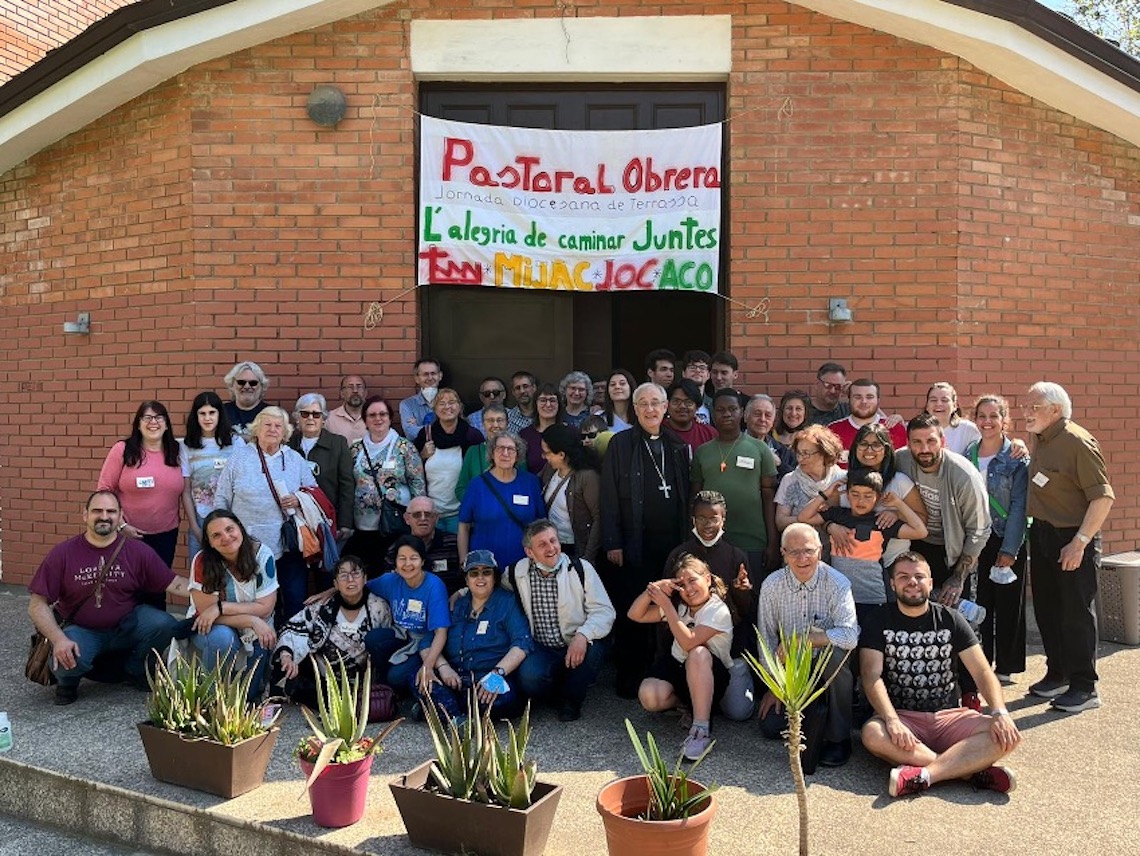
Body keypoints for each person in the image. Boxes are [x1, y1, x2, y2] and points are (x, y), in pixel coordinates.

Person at [860, 552, 1020, 797]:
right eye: (903, 577)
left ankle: (925, 776)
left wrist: (1000, 712)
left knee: (1006, 735)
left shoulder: (951, 619)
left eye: (919, 576)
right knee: (872, 734)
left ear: (931, 583)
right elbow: (871, 676)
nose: (912, 582)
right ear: (892, 584)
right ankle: (970, 771)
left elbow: (981, 671)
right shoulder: (878, 620)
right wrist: (892, 720)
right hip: (903, 718)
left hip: (949, 716)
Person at [28, 491, 188, 705]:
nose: (104, 516)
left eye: (111, 511)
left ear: (121, 516)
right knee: (69, 655)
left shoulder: (138, 551)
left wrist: (209, 591)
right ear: (85, 515)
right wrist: (58, 639)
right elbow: (37, 605)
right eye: (97, 511)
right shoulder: (63, 553)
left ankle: (136, 669)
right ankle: (68, 681)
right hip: (82, 630)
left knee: (164, 624)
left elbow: (174, 583)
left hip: (126, 625)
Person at [1023, 381, 1114, 713]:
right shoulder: (1042, 440)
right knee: (1048, 609)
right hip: (1045, 534)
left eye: (1033, 407)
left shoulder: (1077, 441)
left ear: (1055, 409)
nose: (1026, 413)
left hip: (1073, 537)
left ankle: (1084, 687)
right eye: (1025, 407)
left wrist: (1080, 543)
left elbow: (1102, 498)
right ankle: (1058, 673)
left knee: (1075, 613)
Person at [601, 382, 691, 697]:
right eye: (643, 404)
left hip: (671, 544)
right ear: (635, 409)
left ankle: (665, 670)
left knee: (670, 609)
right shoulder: (620, 444)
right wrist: (612, 541)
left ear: (665, 407)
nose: (650, 409)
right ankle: (629, 675)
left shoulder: (678, 445)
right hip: (633, 543)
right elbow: (609, 495)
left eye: (656, 403)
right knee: (634, 607)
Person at [756, 523, 859, 768]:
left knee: (836, 655)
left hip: (827, 666)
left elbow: (850, 636)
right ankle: (811, 721)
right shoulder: (772, 585)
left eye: (808, 551)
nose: (802, 558)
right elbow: (767, 639)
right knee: (770, 726)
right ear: (783, 553)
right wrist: (774, 686)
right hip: (790, 670)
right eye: (794, 552)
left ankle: (839, 737)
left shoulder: (837, 583)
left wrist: (804, 640)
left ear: (820, 551)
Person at [214, 406, 317, 623]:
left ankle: (289, 648)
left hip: (288, 544)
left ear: (285, 432)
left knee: (294, 599)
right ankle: (260, 649)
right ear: (256, 429)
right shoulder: (239, 458)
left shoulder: (295, 459)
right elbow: (221, 498)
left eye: (278, 425)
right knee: (254, 602)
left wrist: (299, 499)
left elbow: (314, 492)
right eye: (267, 425)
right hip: (247, 547)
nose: (272, 429)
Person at [506, 520, 616, 721]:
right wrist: (461, 593)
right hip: (541, 647)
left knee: (593, 652)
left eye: (553, 541)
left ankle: (572, 701)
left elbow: (604, 611)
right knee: (529, 679)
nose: (551, 548)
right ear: (529, 552)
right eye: (542, 544)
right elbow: (490, 588)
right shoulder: (515, 572)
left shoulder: (581, 568)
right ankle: (558, 691)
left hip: (575, 643)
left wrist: (583, 635)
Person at [629, 554, 735, 761]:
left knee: (698, 652)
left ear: (708, 579)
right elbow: (635, 614)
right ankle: (687, 705)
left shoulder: (718, 609)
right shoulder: (680, 606)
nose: (688, 589)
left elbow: (689, 642)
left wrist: (666, 606)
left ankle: (701, 729)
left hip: (712, 674)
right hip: (680, 669)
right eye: (682, 584)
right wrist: (654, 590)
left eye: (693, 580)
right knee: (649, 696)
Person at [798, 469, 928, 623]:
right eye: (855, 494)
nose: (861, 501)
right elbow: (803, 517)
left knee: (868, 640)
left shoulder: (882, 522)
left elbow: (920, 532)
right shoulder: (837, 515)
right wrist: (826, 493)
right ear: (847, 494)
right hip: (839, 595)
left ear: (878, 497)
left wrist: (898, 504)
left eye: (868, 496)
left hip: (872, 597)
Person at [419, 549, 533, 721]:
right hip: (455, 678)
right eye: (474, 573)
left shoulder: (507, 602)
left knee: (504, 700)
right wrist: (444, 668)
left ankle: (443, 711)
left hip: (488, 676)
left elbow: (522, 643)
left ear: (494, 577)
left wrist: (497, 674)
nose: (480, 578)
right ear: (466, 579)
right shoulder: (455, 605)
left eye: (486, 573)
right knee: (417, 677)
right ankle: (459, 716)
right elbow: (427, 642)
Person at [893, 413, 990, 609]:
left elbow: (979, 530)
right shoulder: (900, 460)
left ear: (943, 441)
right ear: (908, 443)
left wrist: (958, 577)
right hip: (913, 543)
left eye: (931, 441)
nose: (925, 449)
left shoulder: (964, 475)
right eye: (917, 442)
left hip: (952, 550)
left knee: (952, 614)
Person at [965, 395, 1029, 684]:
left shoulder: (1015, 457)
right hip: (977, 538)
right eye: (981, 416)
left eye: (994, 416)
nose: (987, 422)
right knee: (980, 603)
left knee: (1008, 604)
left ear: (1005, 420)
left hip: (1006, 536)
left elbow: (1019, 505)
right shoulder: (968, 452)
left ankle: (1007, 665)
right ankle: (982, 662)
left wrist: (1010, 548)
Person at [98, 401, 187, 609]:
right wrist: (120, 525)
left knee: (157, 588)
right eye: (147, 418)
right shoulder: (123, 450)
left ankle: (155, 637)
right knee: (127, 588)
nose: (153, 422)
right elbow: (104, 490)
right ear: (138, 424)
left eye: (158, 417)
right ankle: (123, 635)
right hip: (129, 534)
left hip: (166, 535)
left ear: (166, 424)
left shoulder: (177, 451)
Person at [273, 555, 394, 707]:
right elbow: (293, 628)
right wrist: (286, 656)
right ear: (335, 584)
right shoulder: (322, 606)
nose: (350, 579)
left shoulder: (379, 607)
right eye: (343, 575)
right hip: (325, 678)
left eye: (356, 573)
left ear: (365, 579)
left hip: (364, 682)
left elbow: (386, 647)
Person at [187, 510, 277, 700]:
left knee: (245, 697)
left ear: (240, 529)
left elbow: (265, 607)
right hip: (211, 627)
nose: (226, 538)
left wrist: (221, 607)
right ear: (209, 542)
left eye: (230, 529)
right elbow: (207, 614)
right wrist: (252, 620)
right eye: (216, 535)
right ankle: (210, 699)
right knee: (223, 639)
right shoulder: (202, 561)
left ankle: (239, 704)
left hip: (251, 626)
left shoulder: (262, 554)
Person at [692, 388, 779, 574]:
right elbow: (695, 499)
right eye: (720, 410)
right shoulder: (702, 452)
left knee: (750, 596)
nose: (727, 414)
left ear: (742, 412)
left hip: (753, 541)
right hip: (712, 540)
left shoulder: (760, 449)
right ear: (713, 413)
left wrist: (773, 542)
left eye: (732, 409)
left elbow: (769, 498)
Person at [344, 395, 426, 576]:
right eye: (372, 415)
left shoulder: (405, 447)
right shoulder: (355, 449)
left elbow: (417, 483)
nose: (378, 419)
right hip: (363, 526)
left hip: (395, 525)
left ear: (390, 418)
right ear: (365, 419)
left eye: (383, 414)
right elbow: (348, 484)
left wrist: (418, 518)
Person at [831, 422, 928, 569]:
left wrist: (897, 513)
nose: (869, 450)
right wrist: (830, 527)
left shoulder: (900, 482)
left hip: (892, 564)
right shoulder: (842, 482)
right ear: (855, 448)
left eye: (876, 445)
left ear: (886, 450)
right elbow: (826, 514)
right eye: (863, 444)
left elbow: (922, 519)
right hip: (848, 565)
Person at [364, 535, 450, 696]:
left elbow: (441, 633)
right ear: (395, 562)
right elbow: (359, 587)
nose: (407, 564)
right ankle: (383, 682)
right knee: (374, 639)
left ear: (423, 561)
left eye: (413, 558)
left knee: (396, 678)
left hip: (425, 643)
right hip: (402, 635)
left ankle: (400, 684)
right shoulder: (390, 580)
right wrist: (332, 590)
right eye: (402, 558)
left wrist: (428, 666)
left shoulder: (434, 585)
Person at [457, 432, 545, 570]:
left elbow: (541, 523)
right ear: (492, 453)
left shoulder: (531, 482)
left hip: (523, 565)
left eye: (511, 449)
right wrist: (464, 560)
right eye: (500, 448)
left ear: (518, 455)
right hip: (485, 567)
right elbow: (464, 526)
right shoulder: (477, 485)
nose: (505, 453)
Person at [182, 391, 244, 572]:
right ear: (196, 416)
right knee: (202, 575)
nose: (207, 418)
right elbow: (186, 490)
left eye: (212, 412)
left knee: (234, 574)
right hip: (202, 521)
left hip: (232, 520)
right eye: (202, 413)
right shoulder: (186, 447)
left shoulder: (236, 443)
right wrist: (194, 526)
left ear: (219, 414)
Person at [413, 387, 483, 534]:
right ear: (434, 408)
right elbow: (411, 469)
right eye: (442, 403)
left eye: (452, 402)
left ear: (460, 406)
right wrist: (422, 455)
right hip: (430, 514)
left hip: (460, 513)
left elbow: (480, 473)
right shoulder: (425, 435)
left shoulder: (472, 436)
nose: (447, 407)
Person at [288, 393, 354, 541]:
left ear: (323, 419)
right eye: (305, 414)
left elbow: (347, 486)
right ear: (297, 418)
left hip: (328, 519)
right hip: (296, 521)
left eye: (316, 414)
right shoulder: (288, 445)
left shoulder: (338, 444)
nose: (310, 418)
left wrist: (345, 523)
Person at [540, 423, 602, 563]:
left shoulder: (587, 477)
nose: (543, 457)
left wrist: (588, 557)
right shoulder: (550, 470)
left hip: (576, 548)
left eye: (547, 452)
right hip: (553, 545)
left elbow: (599, 518)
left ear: (561, 454)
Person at [773, 424, 845, 532]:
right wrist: (813, 517)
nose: (800, 459)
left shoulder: (842, 479)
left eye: (806, 454)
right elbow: (781, 522)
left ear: (824, 453)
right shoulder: (790, 480)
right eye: (798, 453)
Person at [384, 496, 463, 594]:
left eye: (428, 514)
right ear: (407, 519)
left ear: (436, 518)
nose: (423, 518)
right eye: (417, 515)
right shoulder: (396, 549)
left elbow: (466, 578)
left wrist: (459, 593)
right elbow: (390, 585)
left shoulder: (454, 544)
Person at [827, 378, 907, 467]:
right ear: (849, 400)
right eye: (857, 397)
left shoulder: (895, 429)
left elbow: (904, 467)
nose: (864, 401)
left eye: (869, 397)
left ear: (878, 400)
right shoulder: (832, 431)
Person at [456, 402, 527, 502]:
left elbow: (524, 484)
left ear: (507, 423)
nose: (495, 425)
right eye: (490, 421)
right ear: (483, 424)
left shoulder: (516, 450)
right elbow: (461, 489)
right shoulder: (473, 452)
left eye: (500, 420)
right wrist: (477, 502)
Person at [745, 393, 795, 480]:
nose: (763, 419)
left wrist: (779, 464)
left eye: (768, 415)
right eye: (757, 414)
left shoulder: (782, 451)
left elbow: (795, 481)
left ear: (773, 421)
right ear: (745, 416)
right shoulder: (732, 445)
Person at [923, 382, 981, 454]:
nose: (938, 404)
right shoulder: (916, 430)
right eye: (933, 400)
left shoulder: (967, 429)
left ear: (955, 405)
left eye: (944, 400)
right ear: (927, 406)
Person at [520, 382, 565, 472]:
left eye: (552, 400)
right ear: (535, 404)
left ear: (559, 404)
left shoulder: (570, 432)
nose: (548, 405)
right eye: (543, 400)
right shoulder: (525, 435)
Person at [664, 379, 717, 453]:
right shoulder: (657, 432)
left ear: (697, 407)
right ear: (667, 405)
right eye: (676, 401)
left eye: (688, 402)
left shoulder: (710, 434)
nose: (682, 406)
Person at [223, 360, 271, 441]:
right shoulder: (221, 412)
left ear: (262, 386)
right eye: (241, 382)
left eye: (253, 383)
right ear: (232, 384)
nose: (247, 386)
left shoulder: (272, 413)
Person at [399, 357, 442, 438]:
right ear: (417, 378)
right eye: (425, 374)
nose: (430, 378)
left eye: (433, 373)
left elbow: (455, 429)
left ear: (440, 376)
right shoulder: (407, 404)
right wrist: (443, 429)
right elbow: (410, 434)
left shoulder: (450, 401)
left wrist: (419, 427)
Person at [772, 389, 811, 463]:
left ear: (805, 413)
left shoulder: (811, 440)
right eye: (789, 408)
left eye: (798, 409)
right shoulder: (770, 438)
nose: (793, 413)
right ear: (782, 411)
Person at [326, 375, 368, 443]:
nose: (355, 391)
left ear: (366, 393)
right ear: (342, 393)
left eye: (359, 387)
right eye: (350, 387)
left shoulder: (375, 417)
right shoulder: (330, 419)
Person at [680, 350, 713, 423]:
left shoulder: (714, 405)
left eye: (702, 367)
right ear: (683, 373)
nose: (697, 370)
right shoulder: (673, 404)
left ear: (708, 375)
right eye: (692, 367)